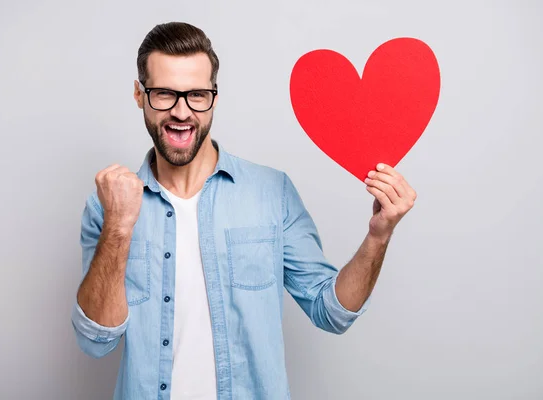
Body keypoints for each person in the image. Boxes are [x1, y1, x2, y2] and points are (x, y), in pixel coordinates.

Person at [71, 21, 417, 400]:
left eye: (197, 95)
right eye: (164, 94)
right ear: (139, 95)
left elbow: (331, 311)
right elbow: (95, 340)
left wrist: (378, 235)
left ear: (215, 97)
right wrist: (119, 226)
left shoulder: (272, 192)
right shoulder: (107, 205)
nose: (182, 112)